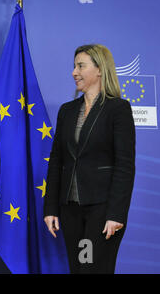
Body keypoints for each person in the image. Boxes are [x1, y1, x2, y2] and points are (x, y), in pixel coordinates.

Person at [43, 44, 136, 274]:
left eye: (80, 66)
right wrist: (50, 208)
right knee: (79, 269)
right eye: (74, 66)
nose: (74, 72)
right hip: (70, 211)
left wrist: (116, 213)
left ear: (99, 70)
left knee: (93, 269)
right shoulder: (67, 110)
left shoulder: (118, 109)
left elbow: (124, 166)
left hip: (102, 211)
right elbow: (56, 161)